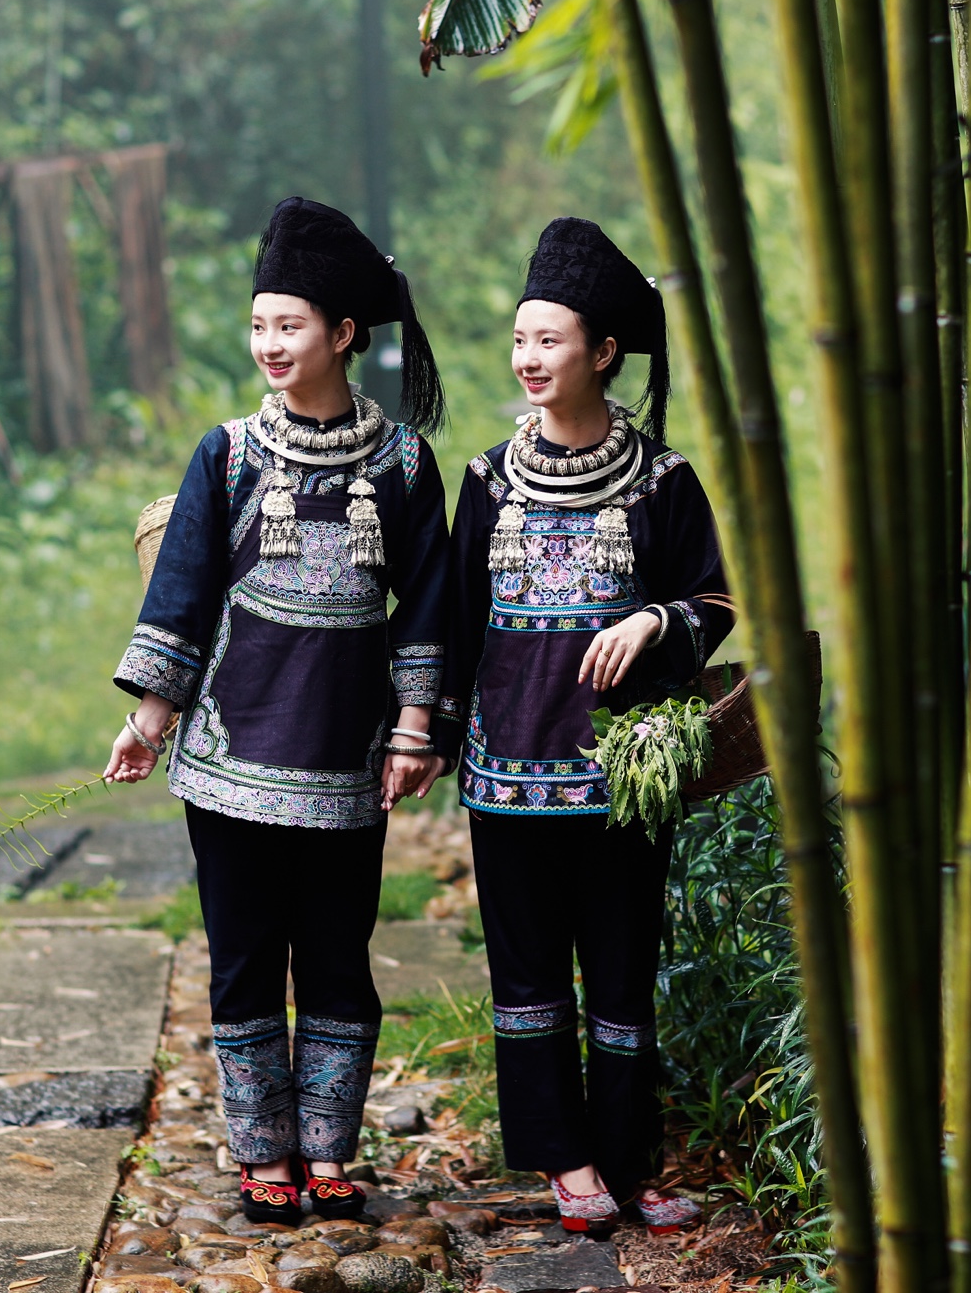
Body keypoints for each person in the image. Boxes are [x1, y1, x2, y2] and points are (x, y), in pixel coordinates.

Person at [104, 197, 452, 1226]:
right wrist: (148, 722)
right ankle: (263, 1153)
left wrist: (416, 727)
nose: (269, 345)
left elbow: (429, 603)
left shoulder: (399, 466)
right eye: (258, 325)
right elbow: (180, 595)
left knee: (339, 952)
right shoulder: (224, 458)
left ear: (343, 334)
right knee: (247, 952)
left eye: (288, 325)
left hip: (346, 759)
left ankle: (331, 1151)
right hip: (231, 757)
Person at [438, 217, 733, 1236]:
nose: (528, 359)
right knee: (526, 981)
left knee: (622, 975)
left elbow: (718, 605)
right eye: (520, 340)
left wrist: (655, 616)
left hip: (624, 779)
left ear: (603, 353)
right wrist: (418, 737)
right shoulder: (482, 483)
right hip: (507, 777)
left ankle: (631, 1162)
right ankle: (565, 1166)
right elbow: (448, 625)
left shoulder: (662, 484)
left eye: (549, 340)